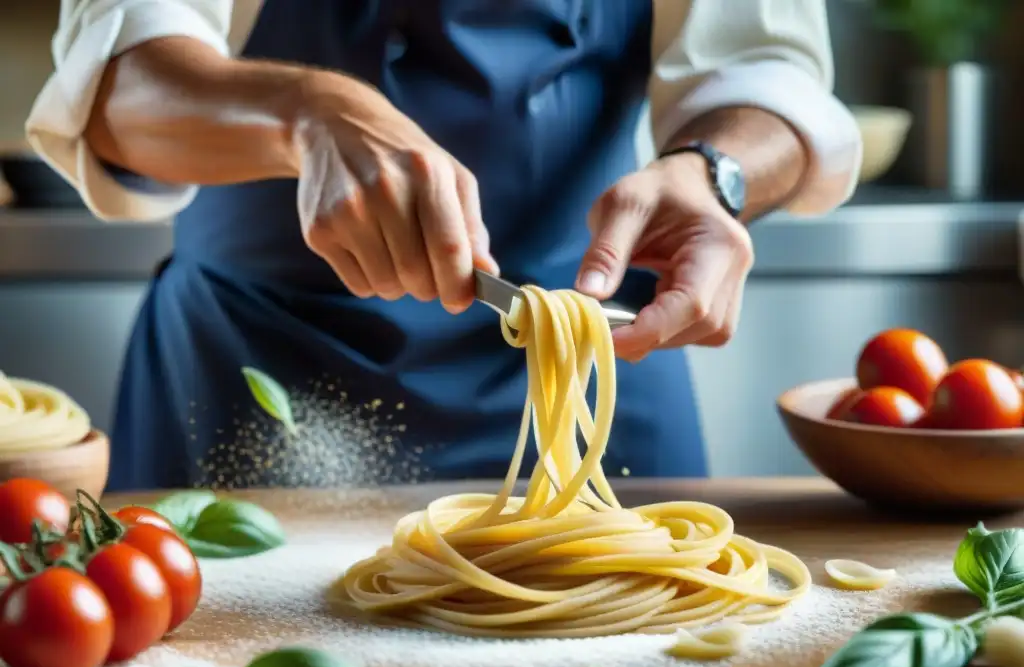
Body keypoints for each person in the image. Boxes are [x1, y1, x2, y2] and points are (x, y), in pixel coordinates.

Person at [28, 0, 861, 491]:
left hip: (599, 359)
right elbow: (114, 86)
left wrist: (716, 174)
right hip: (256, 367)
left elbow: (768, 69)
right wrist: (305, 113)